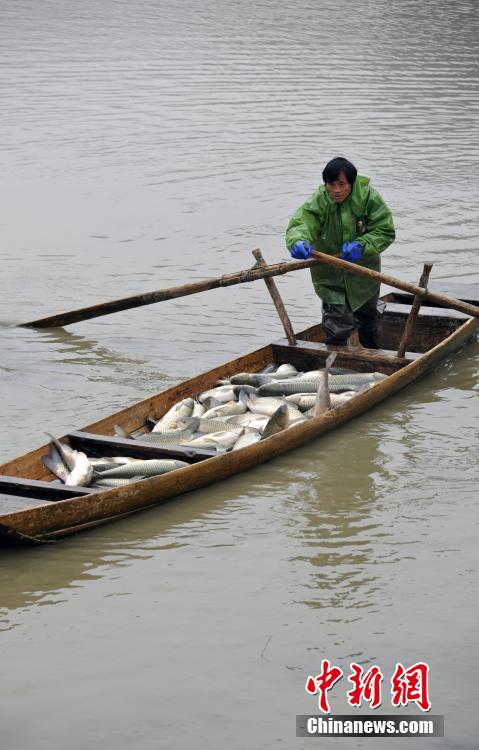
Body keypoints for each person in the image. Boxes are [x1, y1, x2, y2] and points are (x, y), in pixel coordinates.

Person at [285, 157, 395, 348]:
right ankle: (334, 367)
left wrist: (363, 244)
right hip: (330, 277)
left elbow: (385, 230)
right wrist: (298, 241)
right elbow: (302, 223)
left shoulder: (368, 197)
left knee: (369, 324)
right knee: (336, 328)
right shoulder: (319, 201)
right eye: (331, 184)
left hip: (364, 275)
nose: (336, 190)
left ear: (351, 183)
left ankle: (374, 360)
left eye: (341, 184)